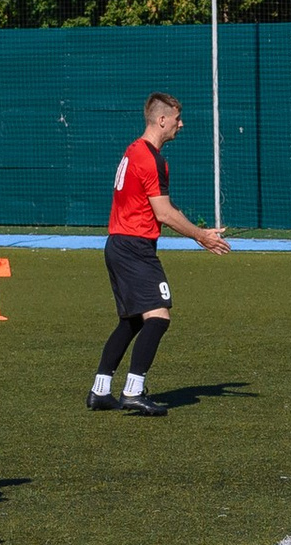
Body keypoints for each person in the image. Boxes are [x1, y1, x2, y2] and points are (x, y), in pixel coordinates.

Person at [89, 91, 229, 416]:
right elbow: (163, 213)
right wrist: (201, 236)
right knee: (159, 316)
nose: (182, 124)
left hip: (119, 244)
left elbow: (155, 206)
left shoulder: (133, 151)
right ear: (162, 120)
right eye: (178, 118)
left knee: (132, 320)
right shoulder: (151, 159)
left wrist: (197, 231)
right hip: (134, 247)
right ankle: (134, 391)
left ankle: (100, 389)